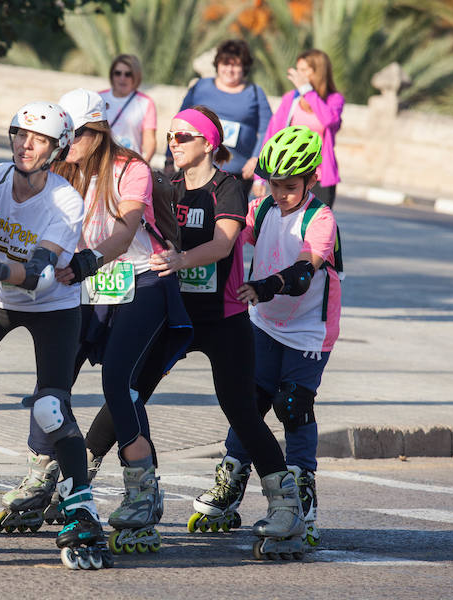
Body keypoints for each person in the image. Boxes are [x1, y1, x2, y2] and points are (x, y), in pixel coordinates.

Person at [149, 106, 307, 560]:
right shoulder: (166, 186)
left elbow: (222, 245)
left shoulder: (229, 188)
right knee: (130, 390)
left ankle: (286, 504)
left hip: (224, 317)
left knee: (240, 410)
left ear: (207, 144)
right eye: (170, 136)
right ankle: (70, 484)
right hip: (175, 314)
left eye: (182, 136)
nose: (173, 143)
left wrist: (180, 259)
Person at [45, 88, 192, 555]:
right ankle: (42, 474)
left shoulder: (133, 169)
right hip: (88, 288)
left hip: (142, 281)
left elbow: (127, 228)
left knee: (117, 383)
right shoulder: (59, 169)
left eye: (81, 133)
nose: (71, 142)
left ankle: (143, 491)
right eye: (66, 134)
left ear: (100, 130)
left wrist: (90, 260)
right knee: (55, 380)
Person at [0, 101, 112, 570]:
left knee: (51, 406)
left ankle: (80, 508)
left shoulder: (64, 200)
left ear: (57, 150)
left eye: (38, 140)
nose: (25, 145)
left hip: (51, 307)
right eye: (19, 134)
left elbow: (36, 276)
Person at [194, 125, 342, 550]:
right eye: (273, 184)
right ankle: (231, 481)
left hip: (310, 329)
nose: (280, 193)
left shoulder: (321, 219)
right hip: (265, 323)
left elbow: (301, 273)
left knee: (292, 406)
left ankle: (301, 496)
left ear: (312, 179)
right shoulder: (260, 209)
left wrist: (262, 287)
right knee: (249, 403)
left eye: (290, 186)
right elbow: (223, 237)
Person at [164, 39, 272, 198]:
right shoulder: (200, 87)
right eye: (225, 64)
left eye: (235, 65)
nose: (230, 69)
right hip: (194, 168)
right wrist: (168, 158)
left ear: (244, 67)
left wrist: (257, 158)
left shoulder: (255, 92)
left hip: (237, 174)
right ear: (217, 65)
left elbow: (268, 129)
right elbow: (178, 122)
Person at [257, 49, 344, 208]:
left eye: (304, 70)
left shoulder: (334, 100)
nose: (299, 75)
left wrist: (307, 92)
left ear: (318, 72)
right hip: (288, 173)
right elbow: (273, 134)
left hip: (319, 176)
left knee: (315, 223)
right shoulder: (291, 98)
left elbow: (329, 121)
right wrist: (260, 177)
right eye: (298, 70)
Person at [99, 54, 157, 162]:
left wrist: (144, 164)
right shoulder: (99, 98)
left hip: (131, 164)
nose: (122, 78)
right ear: (112, 75)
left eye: (128, 74)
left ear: (136, 76)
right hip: (102, 161)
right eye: (118, 73)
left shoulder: (146, 103)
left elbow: (150, 140)